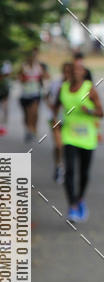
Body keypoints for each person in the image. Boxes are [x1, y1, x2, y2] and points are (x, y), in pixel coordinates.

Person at [51, 58, 102, 222]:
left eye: (78, 70)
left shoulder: (90, 90)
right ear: (69, 72)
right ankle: (72, 205)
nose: (75, 72)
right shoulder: (63, 89)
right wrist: (56, 126)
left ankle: (80, 199)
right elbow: (56, 108)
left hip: (87, 137)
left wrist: (90, 112)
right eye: (72, 70)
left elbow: (101, 112)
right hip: (69, 136)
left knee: (84, 173)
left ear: (83, 73)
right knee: (70, 171)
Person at [47, 61, 72, 184]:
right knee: (58, 145)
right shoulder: (57, 83)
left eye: (69, 72)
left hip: (70, 121)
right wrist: (51, 107)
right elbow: (47, 96)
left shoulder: (74, 85)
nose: (67, 74)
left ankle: (67, 169)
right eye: (65, 71)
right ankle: (58, 166)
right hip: (56, 118)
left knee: (68, 146)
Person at [18, 47, 45, 142]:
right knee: (26, 115)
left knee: (34, 113)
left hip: (35, 93)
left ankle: (33, 129)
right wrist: (25, 78)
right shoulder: (23, 66)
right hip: (25, 94)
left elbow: (44, 77)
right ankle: (28, 129)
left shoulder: (39, 66)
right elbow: (20, 78)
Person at [0, 61, 12, 135]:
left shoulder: (7, 63)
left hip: (5, 88)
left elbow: (8, 74)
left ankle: (4, 120)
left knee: (5, 105)